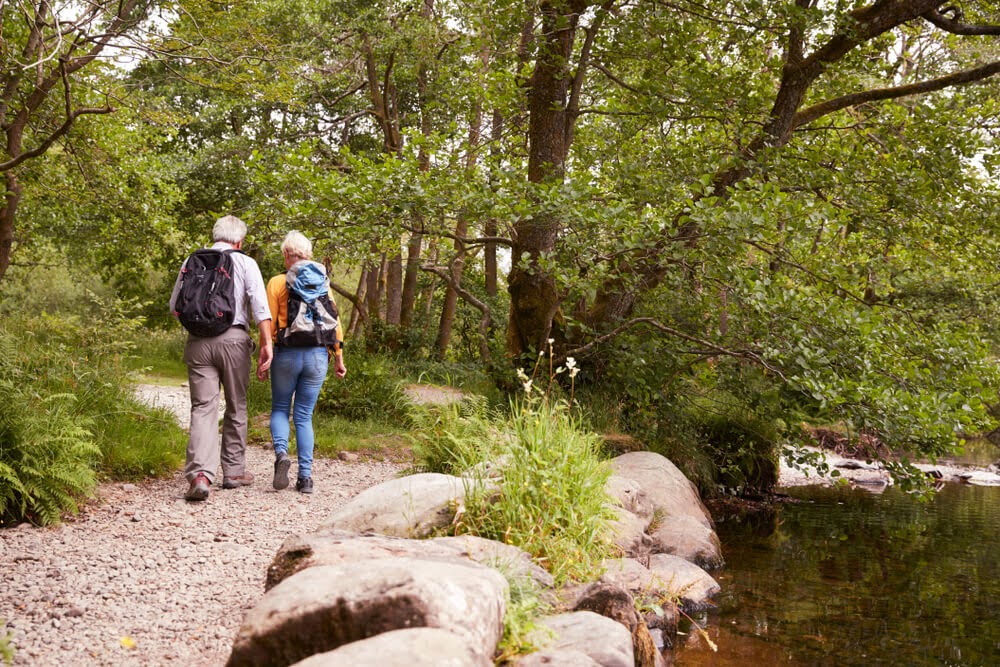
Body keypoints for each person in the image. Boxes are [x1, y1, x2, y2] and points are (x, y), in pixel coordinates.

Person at [169, 215, 273, 501]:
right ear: (239, 241)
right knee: (236, 405)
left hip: (198, 344)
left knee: (203, 407)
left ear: (214, 235)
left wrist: (199, 327)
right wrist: (267, 344)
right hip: (234, 341)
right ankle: (234, 472)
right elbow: (261, 307)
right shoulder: (245, 262)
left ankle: (200, 475)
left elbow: (174, 306)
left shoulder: (193, 260)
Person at [259, 230, 346, 494]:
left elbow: (269, 322)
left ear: (287, 255)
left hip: (286, 353)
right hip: (318, 355)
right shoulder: (323, 282)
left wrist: (265, 352)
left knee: (280, 409)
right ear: (308, 255)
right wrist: (338, 357)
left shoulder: (277, 282)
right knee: (304, 415)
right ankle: (305, 478)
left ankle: (282, 454)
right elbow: (335, 322)